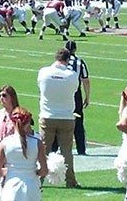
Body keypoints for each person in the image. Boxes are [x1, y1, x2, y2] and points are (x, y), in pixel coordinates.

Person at [37, 48, 80, 188]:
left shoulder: (43, 72)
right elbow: (74, 91)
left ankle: (39, 179)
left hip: (47, 116)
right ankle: (70, 181)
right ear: (67, 60)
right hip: (66, 117)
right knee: (67, 151)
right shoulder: (72, 75)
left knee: (43, 150)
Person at [0, 107, 47, 201]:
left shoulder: (5, 143)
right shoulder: (37, 143)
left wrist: (9, 171)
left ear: (12, 122)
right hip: (32, 188)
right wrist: (35, 172)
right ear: (28, 123)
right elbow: (44, 171)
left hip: (11, 188)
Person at [0, 85, 20, 200]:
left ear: (12, 97)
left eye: (4, 95)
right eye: (0, 95)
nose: (1, 98)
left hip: (12, 155)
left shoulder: (18, 114)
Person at [64, 41, 90, 155]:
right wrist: (87, 96)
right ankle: (81, 149)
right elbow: (85, 80)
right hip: (75, 93)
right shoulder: (79, 62)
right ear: (75, 49)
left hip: (62, 92)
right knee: (78, 121)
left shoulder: (60, 62)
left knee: (59, 117)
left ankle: (53, 148)